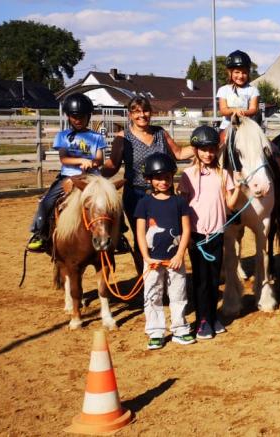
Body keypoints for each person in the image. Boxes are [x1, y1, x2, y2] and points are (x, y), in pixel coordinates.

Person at [102, 97, 193, 273]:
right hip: (137, 196)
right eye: (136, 111)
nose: (141, 115)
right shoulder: (123, 138)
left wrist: (203, 146)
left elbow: (180, 153)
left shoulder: (160, 133)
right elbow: (112, 165)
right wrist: (93, 173)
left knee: (169, 233)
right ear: (130, 115)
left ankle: (169, 276)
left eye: (145, 111)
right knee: (142, 237)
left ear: (150, 112)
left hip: (164, 194)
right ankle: (145, 278)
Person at [179, 126, 242, 340]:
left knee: (215, 279)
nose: (208, 154)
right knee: (200, 279)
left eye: (212, 149)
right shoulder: (187, 175)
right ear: (196, 150)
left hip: (216, 234)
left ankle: (213, 316)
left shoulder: (224, 174)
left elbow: (230, 205)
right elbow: (183, 206)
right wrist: (185, 236)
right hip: (197, 236)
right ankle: (202, 320)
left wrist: (239, 188)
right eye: (203, 149)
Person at [26, 93, 106, 252]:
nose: (78, 119)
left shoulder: (96, 137)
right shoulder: (62, 136)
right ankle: (40, 233)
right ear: (68, 116)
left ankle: (120, 233)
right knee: (46, 201)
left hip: (92, 178)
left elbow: (100, 159)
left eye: (82, 116)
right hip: (68, 176)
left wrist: (93, 163)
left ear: (88, 116)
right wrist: (81, 161)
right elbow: (64, 159)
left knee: (111, 201)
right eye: (74, 116)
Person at [134, 153, 194, 350]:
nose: (163, 182)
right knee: (153, 294)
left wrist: (179, 255)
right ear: (149, 179)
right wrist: (146, 257)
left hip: (174, 260)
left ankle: (180, 328)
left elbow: (186, 230)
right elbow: (140, 233)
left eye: (167, 177)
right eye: (158, 178)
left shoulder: (179, 202)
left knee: (178, 294)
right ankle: (156, 331)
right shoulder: (144, 203)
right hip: (152, 260)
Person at [217, 50, 260, 136]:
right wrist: (235, 111)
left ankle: (277, 149)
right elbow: (223, 110)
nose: (240, 76)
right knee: (218, 146)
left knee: (266, 145)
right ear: (230, 73)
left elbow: (253, 109)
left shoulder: (253, 90)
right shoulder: (223, 90)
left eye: (244, 72)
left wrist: (243, 113)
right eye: (237, 72)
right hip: (227, 127)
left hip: (247, 126)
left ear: (248, 73)